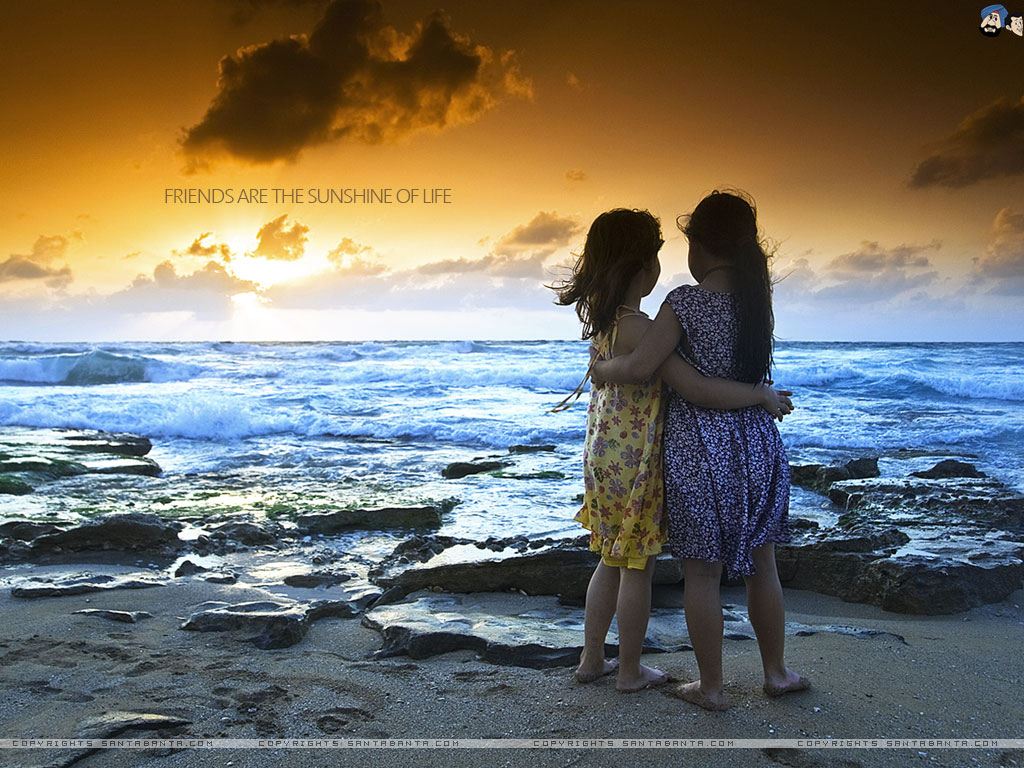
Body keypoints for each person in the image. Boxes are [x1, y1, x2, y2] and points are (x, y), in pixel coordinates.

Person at [551, 207, 793, 693]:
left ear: (700, 246)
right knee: (754, 564)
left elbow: (658, 373)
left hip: (652, 453)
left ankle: (668, 677)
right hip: (730, 447)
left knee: (650, 565)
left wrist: (601, 370)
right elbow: (676, 377)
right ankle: (769, 673)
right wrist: (762, 396)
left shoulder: (655, 312)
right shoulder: (754, 304)